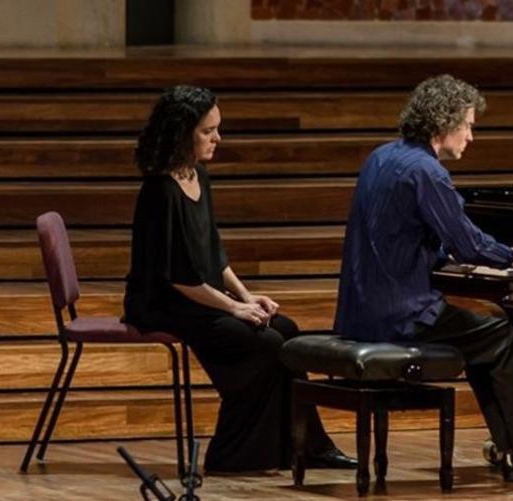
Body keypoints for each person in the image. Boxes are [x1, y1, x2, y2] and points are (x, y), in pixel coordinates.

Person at [334, 74, 513, 482]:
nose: (471, 137)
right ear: (443, 124)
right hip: (400, 315)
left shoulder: (381, 157)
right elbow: (468, 244)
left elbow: (403, 234)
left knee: (482, 338)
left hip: (361, 309)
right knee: (500, 336)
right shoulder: (427, 172)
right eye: (468, 125)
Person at [123, 85, 355, 474]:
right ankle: (233, 455)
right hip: (164, 304)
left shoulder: (198, 175)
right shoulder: (160, 191)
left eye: (218, 128)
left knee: (286, 330)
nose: (218, 138)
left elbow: (214, 254)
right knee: (263, 343)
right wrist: (236, 308)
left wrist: (250, 297)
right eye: (207, 131)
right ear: (182, 133)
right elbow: (179, 278)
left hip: (200, 296)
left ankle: (307, 444)